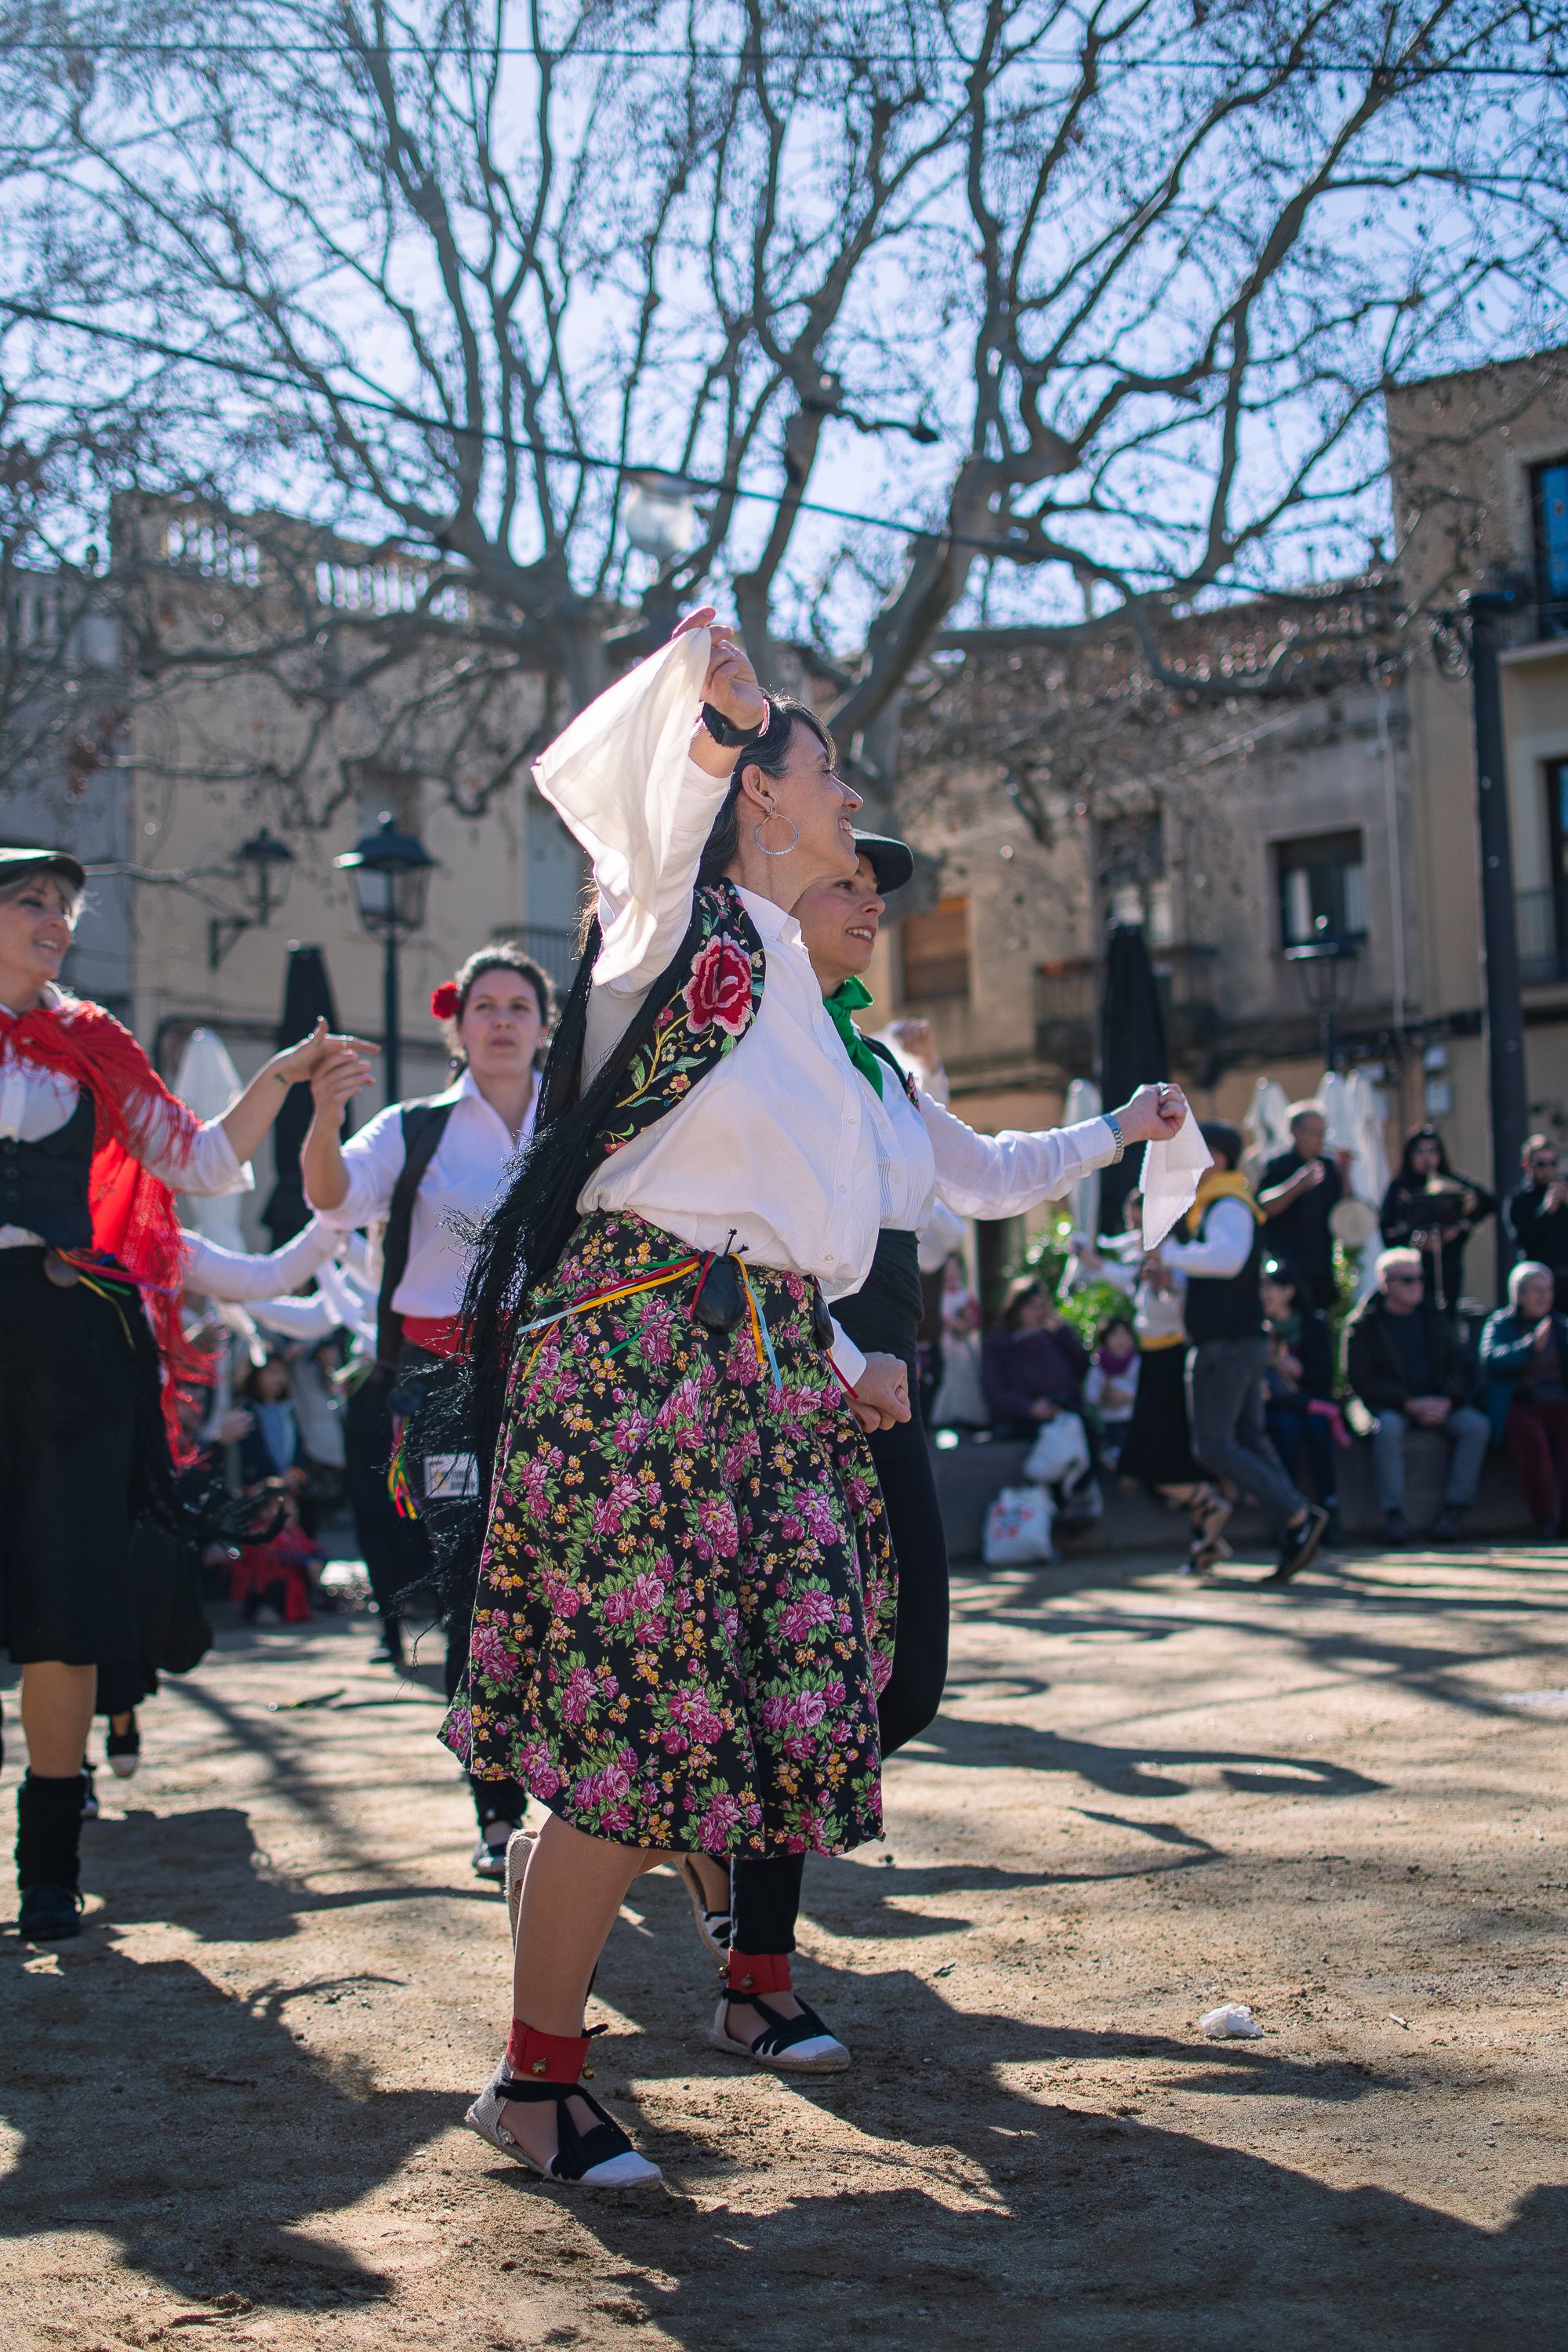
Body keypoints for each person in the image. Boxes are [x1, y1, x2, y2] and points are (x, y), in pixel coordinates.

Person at [672, 837, 1178, 2032]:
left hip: (881, 1383)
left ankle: (704, 1831)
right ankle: (759, 1977)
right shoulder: (754, 1047)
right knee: (815, 1683)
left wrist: (1123, 1126)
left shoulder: (877, 1063)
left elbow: (988, 1173)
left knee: (904, 1685)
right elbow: (738, 1237)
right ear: (778, 908)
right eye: (849, 884)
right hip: (796, 1376)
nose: (875, 904)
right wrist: (847, 1361)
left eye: (873, 889)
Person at [0, 844, 372, 1941]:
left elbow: (204, 1164)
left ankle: (51, 1868)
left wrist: (281, 1078)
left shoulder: (93, 1044)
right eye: (30, 902)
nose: (55, 919)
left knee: (66, 1607)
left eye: (65, 906)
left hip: (73, 1344)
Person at [303, 943, 552, 1878]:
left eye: (517, 1006)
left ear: (542, 1025)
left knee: (564, 1582)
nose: (499, 1020)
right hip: (442, 1391)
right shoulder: (412, 1128)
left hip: (552, 1381)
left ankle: (578, 1805)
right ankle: (495, 1808)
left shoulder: (573, 1126)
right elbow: (329, 1198)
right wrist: (325, 1113)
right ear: (456, 1027)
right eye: (482, 1005)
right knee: (472, 1587)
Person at [1160, 1123, 1330, 1582]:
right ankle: (1297, 1530)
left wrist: (1170, 1255)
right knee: (1251, 1439)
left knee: (1214, 1445)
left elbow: (1227, 1259)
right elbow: (1219, 1268)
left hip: (1229, 1346)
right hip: (1238, 1342)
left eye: (1190, 1152)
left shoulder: (1227, 1203)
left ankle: (1297, 1515)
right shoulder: (1221, 1202)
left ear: (1217, 1157)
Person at [1077, 1194, 1233, 1570]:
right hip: (1153, 1361)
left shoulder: (1182, 1256)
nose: (1134, 1230)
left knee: (1144, 1459)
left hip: (1172, 1361)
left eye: (1139, 1223)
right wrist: (1095, 1262)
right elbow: (1129, 1283)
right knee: (1170, 1457)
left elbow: (1182, 1308)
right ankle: (1206, 1542)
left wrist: (1166, 1285)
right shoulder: (1149, 1258)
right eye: (1132, 1223)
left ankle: (1209, 1504)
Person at [1342, 1247, 1490, 1546]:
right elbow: (1361, 1380)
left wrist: (1448, 1400)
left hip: (1439, 1403)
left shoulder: (1434, 1316)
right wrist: (1408, 1404)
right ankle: (1394, 1516)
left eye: (1419, 1279)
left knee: (1476, 1426)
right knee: (1388, 1430)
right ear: (1385, 1283)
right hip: (1391, 1406)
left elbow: (1460, 1366)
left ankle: (1454, 1511)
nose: (1416, 1286)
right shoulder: (1363, 1323)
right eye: (1407, 1280)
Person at [1479, 1261, 1568, 1541]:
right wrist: (1529, 1346)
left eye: (1548, 1290)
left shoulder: (1561, 1326)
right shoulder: (1500, 1324)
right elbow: (1492, 1361)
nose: (1544, 1297)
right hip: (1519, 1404)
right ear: (1518, 1295)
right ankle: (1543, 1519)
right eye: (1536, 1291)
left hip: (1558, 1403)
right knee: (1534, 1445)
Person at [1260, 1259, 1343, 1544]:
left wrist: (1300, 1369)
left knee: (1317, 1427)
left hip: (1310, 1402)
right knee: (1286, 1428)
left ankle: (1330, 1508)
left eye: (1270, 1286)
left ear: (1289, 1291)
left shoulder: (1313, 1326)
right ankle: (1288, 1514)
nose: (1264, 1292)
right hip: (1276, 1407)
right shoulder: (1257, 1329)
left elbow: (1325, 1378)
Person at [1379, 1123, 1495, 1311]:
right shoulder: (1399, 1187)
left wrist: (1459, 1229)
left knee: (1446, 1319)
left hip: (1448, 1266)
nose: (1427, 1157)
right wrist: (1414, 1242)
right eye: (1420, 1151)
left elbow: (1488, 1202)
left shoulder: (1451, 1181)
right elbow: (1387, 1229)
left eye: (1432, 1150)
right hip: (1414, 1272)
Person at [1257, 1100, 1346, 1312]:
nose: (1320, 1139)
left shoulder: (1329, 1166)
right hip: (1287, 1271)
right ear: (1296, 1132)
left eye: (1323, 1133)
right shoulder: (1278, 1165)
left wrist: (1347, 1172)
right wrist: (1297, 1185)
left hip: (1321, 1267)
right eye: (1314, 1132)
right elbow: (1264, 1205)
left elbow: (1343, 1212)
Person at [1504, 1135, 1568, 1310]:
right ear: (1527, 1164)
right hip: (1539, 1286)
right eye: (1541, 1164)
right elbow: (1523, 1240)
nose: (1548, 1169)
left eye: (1552, 1163)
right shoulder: (1518, 1200)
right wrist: (1546, 1212)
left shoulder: (1563, 1193)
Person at [1084, 1313, 1139, 1466]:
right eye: (1115, 1335)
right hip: (1108, 1422)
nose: (1121, 1340)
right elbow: (1090, 1395)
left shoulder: (1136, 1362)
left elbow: (1145, 1388)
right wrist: (1104, 1397)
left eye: (1125, 1335)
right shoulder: (1098, 1366)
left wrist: (1127, 1396)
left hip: (1133, 1419)